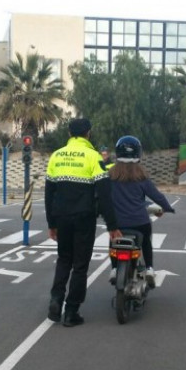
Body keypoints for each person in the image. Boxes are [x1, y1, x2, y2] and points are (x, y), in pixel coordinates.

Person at [45, 118, 121, 327]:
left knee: (63, 259)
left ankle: (55, 299)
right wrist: (112, 226)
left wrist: (51, 223)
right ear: (89, 133)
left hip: (61, 217)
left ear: (69, 133)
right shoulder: (93, 157)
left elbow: (49, 193)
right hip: (83, 218)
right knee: (80, 266)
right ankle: (71, 311)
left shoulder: (56, 156)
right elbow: (104, 195)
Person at [108, 135, 175, 288]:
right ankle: (150, 269)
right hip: (140, 222)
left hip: (117, 223)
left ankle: (113, 269)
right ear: (139, 153)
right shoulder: (141, 176)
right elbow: (157, 196)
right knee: (146, 241)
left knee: (112, 240)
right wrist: (167, 208)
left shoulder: (110, 176)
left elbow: (102, 197)